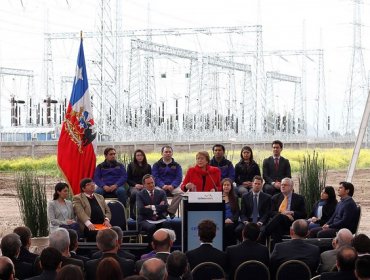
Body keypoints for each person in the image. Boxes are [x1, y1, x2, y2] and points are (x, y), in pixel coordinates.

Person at [262, 177, 306, 244]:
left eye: (285, 185)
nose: (282, 186)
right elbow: (271, 212)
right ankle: (277, 248)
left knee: (279, 217)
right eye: (282, 184)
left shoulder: (299, 198)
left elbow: (304, 214)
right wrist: (284, 214)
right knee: (277, 226)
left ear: (291, 187)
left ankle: (263, 234)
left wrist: (292, 213)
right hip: (278, 222)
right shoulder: (275, 198)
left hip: (292, 222)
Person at [152, 145, 183, 217]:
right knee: (157, 192)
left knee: (181, 193)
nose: (168, 153)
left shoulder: (177, 165)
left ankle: (171, 211)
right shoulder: (156, 165)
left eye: (169, 152)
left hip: (173, 186)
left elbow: (179, 177)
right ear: (162, 153)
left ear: (172, 153)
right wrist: (162, 185)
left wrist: (173, 185)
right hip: (161, 186)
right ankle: (163, 211)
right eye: (166, 152)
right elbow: (155, 177)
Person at [127, 149, 152, 219]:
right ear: (135, 157)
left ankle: (148, 213)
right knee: (135, 193)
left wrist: (144, 186)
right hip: (134, 186)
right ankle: (132, 212)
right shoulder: (130, 165)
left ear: (144, 156)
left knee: (148, 193)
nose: (139, 157)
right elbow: (128, 179)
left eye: (141, 155)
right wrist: (135, 185)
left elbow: (150, 178)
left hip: (146, 186)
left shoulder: (148, 166)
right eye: (137, 155)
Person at [221, 178, 241, 247]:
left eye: (228, 185)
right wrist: (223, 220)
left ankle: (231, 248)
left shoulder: (235, 197)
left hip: (232, 221)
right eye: (224, 185)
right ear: (222, 186)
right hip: (221, 221)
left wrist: (231, 219)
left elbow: (237, 213)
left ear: (231, 187)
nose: (226, 186)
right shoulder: (218, 197)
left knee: (229, 227)